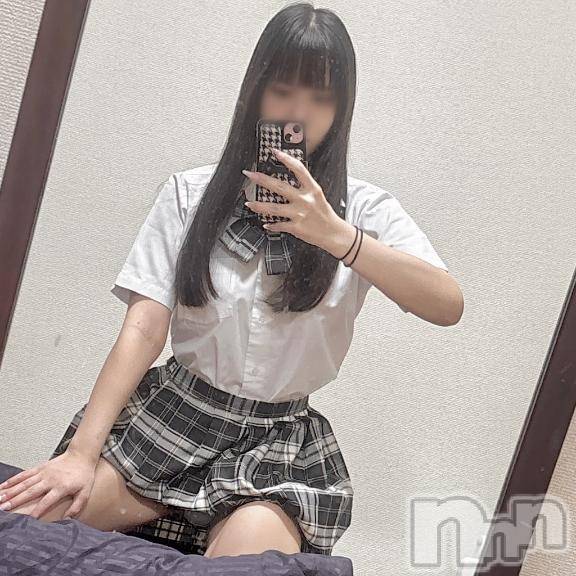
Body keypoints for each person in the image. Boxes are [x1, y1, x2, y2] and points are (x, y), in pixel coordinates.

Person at [0, 2, 462, 559]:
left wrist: (338, 236)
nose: (298, 113)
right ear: (256, 90)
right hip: (170, 417)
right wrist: (80, 453)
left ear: (342, 109)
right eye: (283, 91)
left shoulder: (364, 210)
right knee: (25, 527)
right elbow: (144, 328)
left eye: (321, 99)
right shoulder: (189, 194)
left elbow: (447, 304)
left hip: (274, 446)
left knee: (247, 566)